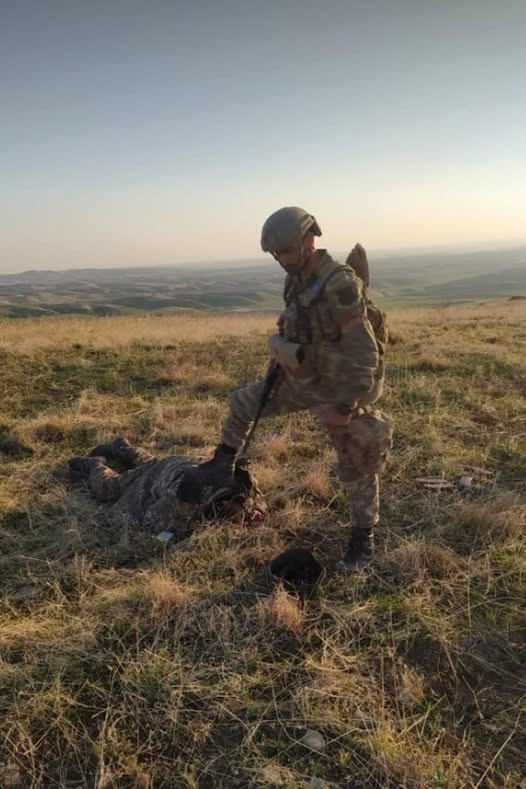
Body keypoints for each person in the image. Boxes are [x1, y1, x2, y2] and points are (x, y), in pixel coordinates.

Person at [202, 207, 393, 571]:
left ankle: (362, 537)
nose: (283, 260)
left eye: (288, 251)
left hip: (341, 385)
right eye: (277, 254)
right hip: (305, 377)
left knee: (357, 458)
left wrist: (346, 406)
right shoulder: (296, 280)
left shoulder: (339, 284)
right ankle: (222, 464)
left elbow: (364, 354)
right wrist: (280, 362)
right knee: (244, 402)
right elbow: (294, 327)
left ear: (310, 239)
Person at [68, 437, 265, 538]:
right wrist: (178, 532)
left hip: (182, 465)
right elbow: (150, 519)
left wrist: (255, 517)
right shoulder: (185, 499)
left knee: (151, 464)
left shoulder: (243, 489)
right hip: (163, 476)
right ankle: (93, 464)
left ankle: (123, 448)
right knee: (111, 488)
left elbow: (258, 507)